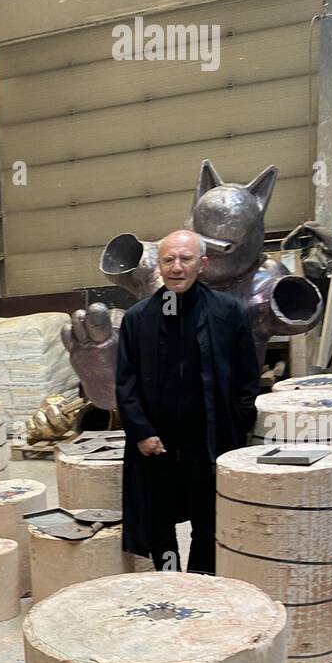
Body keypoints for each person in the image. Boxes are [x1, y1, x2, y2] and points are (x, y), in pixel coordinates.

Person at [116, 229, 260, 573]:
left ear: (203, 264)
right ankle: (170, 582)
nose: (176, 267)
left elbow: (246, 378)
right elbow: (126, 382)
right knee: (160, 522)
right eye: (168, 259)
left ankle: (200, 585)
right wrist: (141, 432)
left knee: (207, 523)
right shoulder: (138, 319)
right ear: (159, 266)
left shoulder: (228, 313)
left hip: (209, 444)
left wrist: (235, 429)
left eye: (186, 259)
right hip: (158, 446)